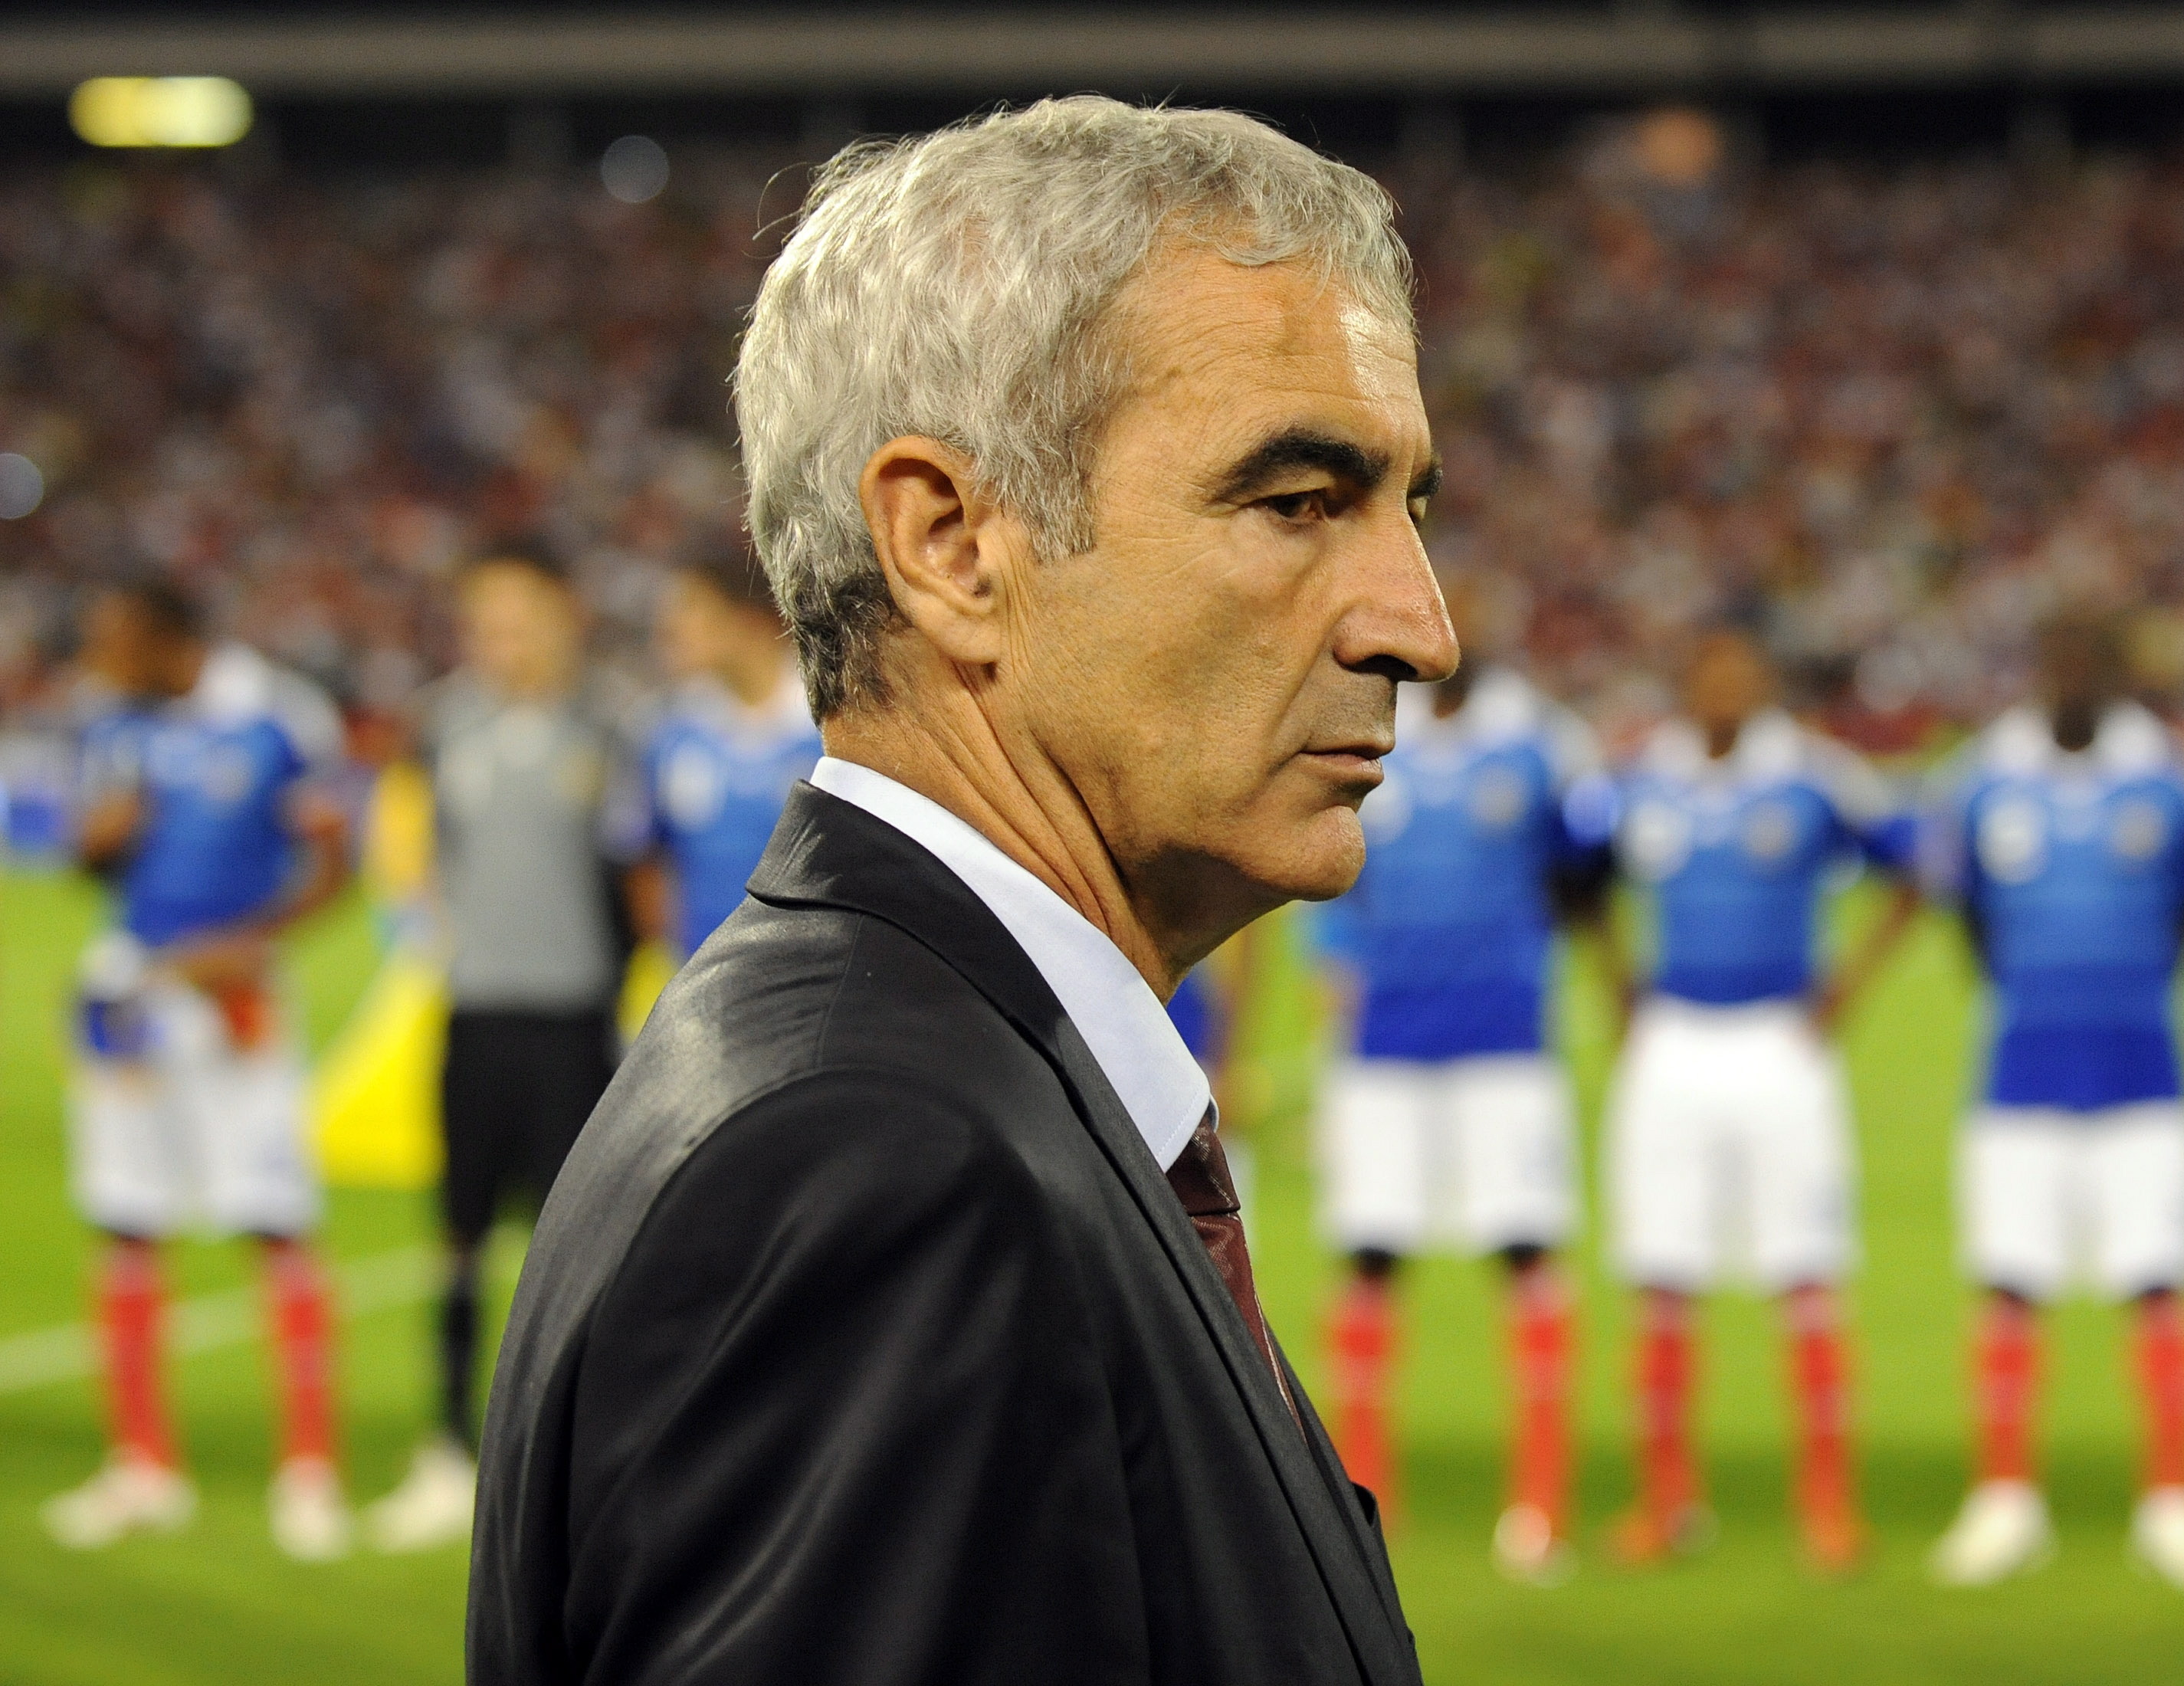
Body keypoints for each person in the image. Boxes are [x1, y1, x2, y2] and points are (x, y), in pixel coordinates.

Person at [470, 100, 1450, 1684]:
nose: (1420, 624)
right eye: (1298, 500)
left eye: (1414, 508)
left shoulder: (935, 1073)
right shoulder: (883, 1164)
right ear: (951, 545)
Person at [1925, 610, 2184, 1593]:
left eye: (2090, 657)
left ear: (2117, 670)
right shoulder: (1985, 777)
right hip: (2020, 1073)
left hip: (2145, 1072)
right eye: (2058, 655)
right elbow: (1969, 916)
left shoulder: (2170, 777)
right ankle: (2006, 1498)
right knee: (2011, 1282)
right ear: (2037, 668)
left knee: (2159, 1281)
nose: (2073, 673)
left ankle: (2176, 1498)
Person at [44, 580, 355, 1560]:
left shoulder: (275, 714)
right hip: (130, 989)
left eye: (114, 638)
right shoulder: (114, 726)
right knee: (125, 1214)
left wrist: (254, 943)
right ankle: (143, 1465)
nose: (100, 659)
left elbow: (337, 861)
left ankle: (309, 1466)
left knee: (272, 1218)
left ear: (167, 637)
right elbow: (91, 858)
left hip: (235, 1001)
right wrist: (97, 845)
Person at [1307, 576, 1609, 1583]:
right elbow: (1325, 874)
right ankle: (1359, 1503)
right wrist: (1332, 984)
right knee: (1371, 1259)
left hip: (1504, 1047)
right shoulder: (1360, 727)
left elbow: (1588, 870)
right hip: (1384, 1046)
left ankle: (1538, 1506)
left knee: (1525, 1255)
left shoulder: (1543, 742)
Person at [1601, 626, 1920, 1574]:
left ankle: (1826, 1504)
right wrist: (1614, 976)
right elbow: (1572, 874)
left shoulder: (1816, 775)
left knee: (1807, 1273)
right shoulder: (1636, 778)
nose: (1727, 688)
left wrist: (1849, 986)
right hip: (1671, 1043)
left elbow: (1915, 865)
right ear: (1689, 681)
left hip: (1784, 1045)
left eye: (1744, 673)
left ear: (1766, 685)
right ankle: (1665, 1502)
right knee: (1663, 1276)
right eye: (1712, 673)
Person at [362, 546, 631, 1553]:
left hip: (574, 1026)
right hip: (475, 1020)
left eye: (518, 615)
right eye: (484, 617)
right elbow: (417, 857)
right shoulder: (444, 725)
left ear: (562, 616)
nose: (499, 636)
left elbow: (633, 880)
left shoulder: (609, 728)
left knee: (575, 1254)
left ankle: (573, 1464)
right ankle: (444, 1446)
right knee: (459, 1238)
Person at [618, 545, 819, 959]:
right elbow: (644, 857)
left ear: (747, 619)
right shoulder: (668, 732)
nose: (671, 626)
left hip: (808, 971)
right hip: (703, 975)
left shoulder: (827, 726)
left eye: (690, 608)